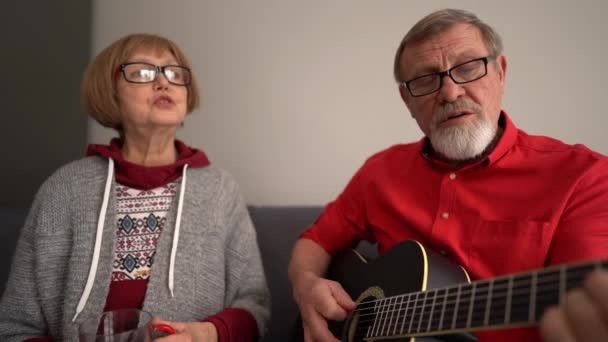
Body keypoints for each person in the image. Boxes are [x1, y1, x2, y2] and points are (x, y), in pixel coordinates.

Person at [288, 8, 608, 342]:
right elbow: (315, 241)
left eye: (468, 68)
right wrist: (307, 287)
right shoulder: (379, 172)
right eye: (426, 80)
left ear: (500, 73)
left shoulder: (584, 177)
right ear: (407, 100)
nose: (451, 92)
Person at [0, 33, 270, 341]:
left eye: (174, 73)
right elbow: (14, 327)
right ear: (109, 91)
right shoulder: (63, 190)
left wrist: (204, 335)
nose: (163, 83)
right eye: (142, 72)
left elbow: (254, 306)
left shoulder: (221, 191)